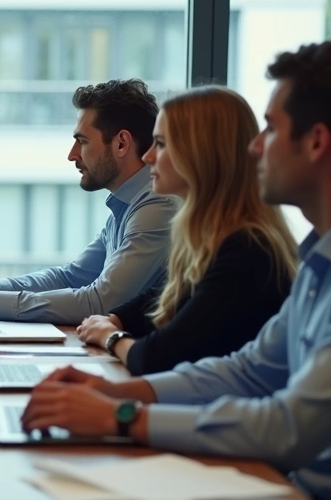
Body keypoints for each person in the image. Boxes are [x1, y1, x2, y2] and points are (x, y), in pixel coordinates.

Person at [22, 41, 331, 500]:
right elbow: (251, 370)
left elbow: (289, 427)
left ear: (317, 142)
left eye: (271, 129)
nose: (254, 147)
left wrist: (123, 415)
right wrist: (117, 390)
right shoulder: (326, 254)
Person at [74, 86, 298, 374]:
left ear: (202, 156)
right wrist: (117, 319)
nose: (148, 157)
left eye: (162, 144)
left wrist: (110, 336)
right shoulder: (211, 237)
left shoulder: (247, 250)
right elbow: (170, 294)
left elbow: (159, 355)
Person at [0, 79, 176, 324]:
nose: (72, 155)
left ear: (121, 143)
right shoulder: (127, 202)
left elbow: (101, 302)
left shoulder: (157, 205)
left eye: (82, 141)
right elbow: (71, 277)